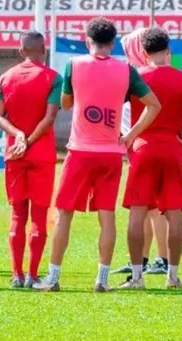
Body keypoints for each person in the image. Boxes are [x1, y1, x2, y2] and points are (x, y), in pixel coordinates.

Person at [35, 17, 160, 292]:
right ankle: (101, 280)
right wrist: (130, 135)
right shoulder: (126, 69)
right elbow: (154, 105)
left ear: (87, 40)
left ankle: (53, 278)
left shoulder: (74, 65)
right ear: (113, 43)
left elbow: (66, 103)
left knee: (64, 213)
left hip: (80, 151)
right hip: (111, 153)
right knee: (107, 216)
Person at [118, 28, 182, 290]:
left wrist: (121, 135)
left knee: (137, 213)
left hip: (142, 147)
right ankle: (172, 275)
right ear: (168, 51)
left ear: (144, 53)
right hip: (172, 149)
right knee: (174, 214)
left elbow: (115, 104)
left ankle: (137, 277)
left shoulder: (136, 76)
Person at [0, 31, 61, 288]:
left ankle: (16, 274)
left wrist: (18, 136)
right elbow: (50, 116)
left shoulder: (5, 77)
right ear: (44, 49)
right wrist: (30, 140)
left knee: (17, 215)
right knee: (39, 216)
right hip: (41, 155)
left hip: (14, 154)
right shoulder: (53, 78)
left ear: (21, 51)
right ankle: (32, 274)